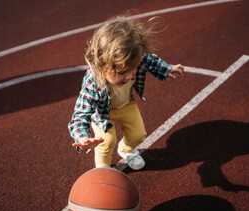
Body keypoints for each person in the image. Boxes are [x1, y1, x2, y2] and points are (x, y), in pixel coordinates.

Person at [68, 16, 184, 170]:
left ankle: (126, 150)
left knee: (138, 135)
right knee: (106, 142)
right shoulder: (93, 83)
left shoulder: (132, 58)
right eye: (122, 72)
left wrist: (166, 69)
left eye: (133, 68)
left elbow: (149, 60)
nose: (130, 76)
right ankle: (103, 169)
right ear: (102, 65)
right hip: (103, 114)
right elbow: (80, 114)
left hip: (126, 104)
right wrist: (82, 137)